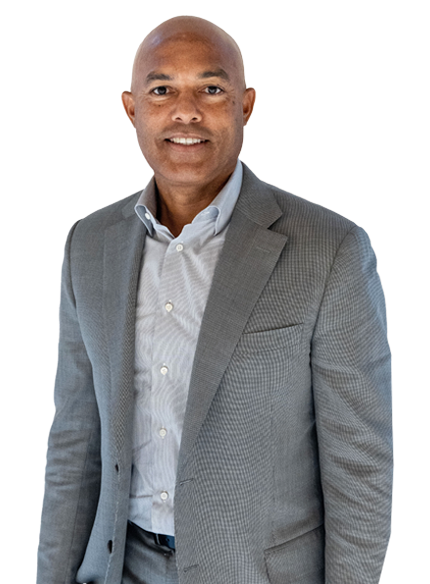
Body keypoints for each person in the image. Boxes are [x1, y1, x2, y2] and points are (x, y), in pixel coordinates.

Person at [36, 14, 394, 584]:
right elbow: (74, 443)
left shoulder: (331, 250)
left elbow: (360, 466)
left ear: (245, 105)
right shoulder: (90, 244)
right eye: (162, 90)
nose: (186, 111)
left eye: (210, 88)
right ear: (131, 109)